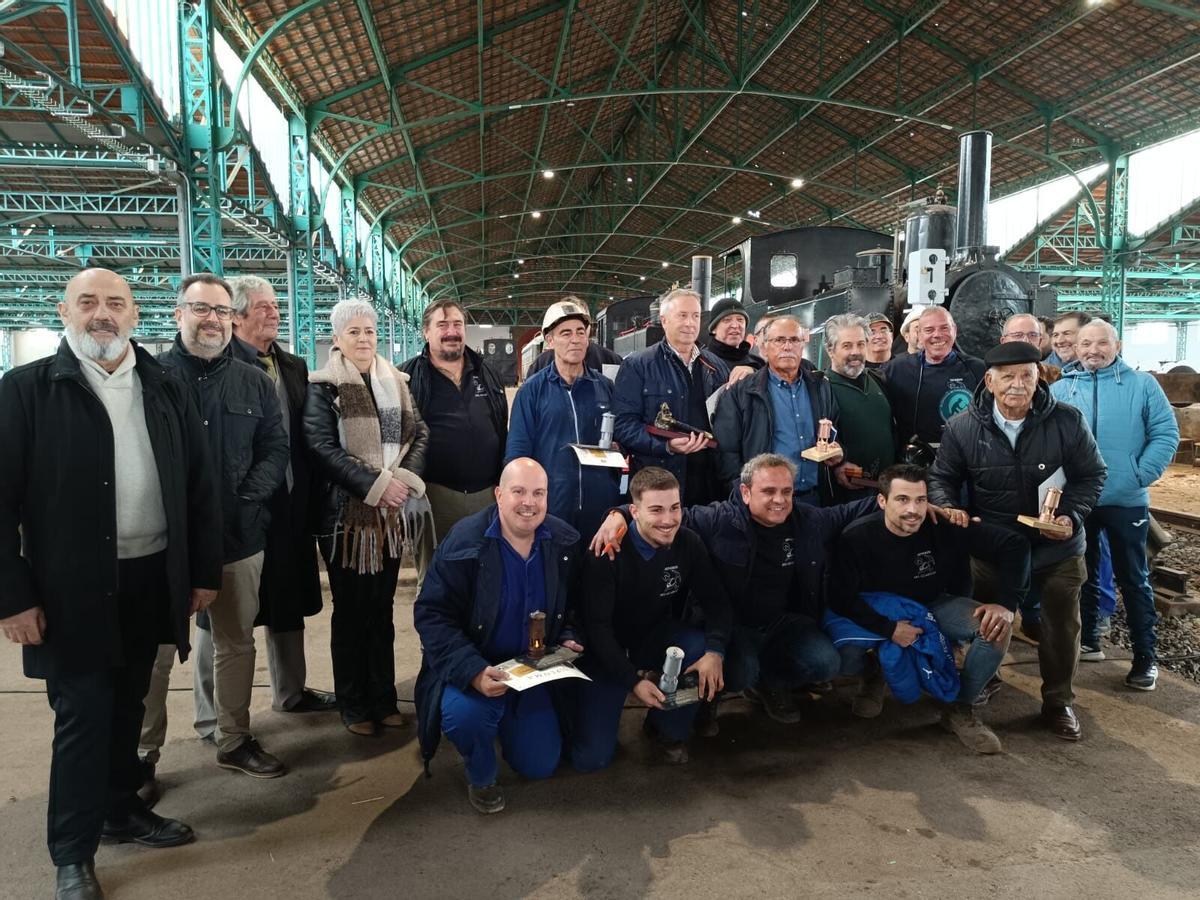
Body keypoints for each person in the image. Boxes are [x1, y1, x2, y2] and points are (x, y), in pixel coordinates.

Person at [0, 268, 221, 900]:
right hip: (71, 586)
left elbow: (198, 487)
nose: (104, 314)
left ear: (134, 313)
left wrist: (200, 574)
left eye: (116, 303)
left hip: (151, 575)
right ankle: (72, 851)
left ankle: (120, 809)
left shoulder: (165, 385)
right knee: (83, 715)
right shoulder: (26, 391)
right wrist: (12, 596)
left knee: (130, 703)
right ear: (64, 310)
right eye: (89, 302)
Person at [591, 453, 877, 728]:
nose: (779, 500)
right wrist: (615, 514)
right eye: (768, 491)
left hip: (782, 622)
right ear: (746, 492)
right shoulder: (718, 520)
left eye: (786, 491)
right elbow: (661, 515)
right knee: (739, 670)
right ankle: (711, 695)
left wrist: (915, 504)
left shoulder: (808, 520)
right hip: (732, 626)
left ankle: (770, 684)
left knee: (826, 663)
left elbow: (851, 511)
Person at [928, 341, 1106, 741]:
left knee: (1061, 625)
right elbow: (941, 478)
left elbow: (1092, 475)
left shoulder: (1067, 421)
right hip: (994, 548)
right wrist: (946, 505)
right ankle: (983, 682)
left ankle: (1058, 701)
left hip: (1057, 549)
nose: (1017, 385)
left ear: (1038, 377)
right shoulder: (963, 427)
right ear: (989, 381)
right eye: (1007, 377)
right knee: (987, 622)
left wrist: (1069, 515)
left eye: (1026, 375)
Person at [149, 274, 290, 780]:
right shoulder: (152, 379)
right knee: (156, 653)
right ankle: (143, 757)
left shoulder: (253, 380)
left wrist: (246, 499)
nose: (212, 319)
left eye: (221, 311)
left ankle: (233, 738)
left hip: (238, 536)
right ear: (178, 314)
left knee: (236, 642)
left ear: (233, 318)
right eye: (200, 309)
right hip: (164, 541)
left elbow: (275, 448)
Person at [413, 459, 583, 814]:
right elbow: (432, 614)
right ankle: (481, 773)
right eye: (519, 492)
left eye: (539, 493)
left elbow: (577, 605)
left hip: (530, 672)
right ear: (498, 494)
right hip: (476, 666)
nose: (529, 503)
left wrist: (567, 635)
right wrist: (472, 671)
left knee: (540, 766)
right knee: (466, 719)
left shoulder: (564, 541)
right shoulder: (463, 542)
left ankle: (509, 723)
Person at [828, 464, 1031, 753]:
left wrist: (1006, 605)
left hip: (933, 604)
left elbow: (1015, 544)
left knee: (996, 629)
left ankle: (960, 709)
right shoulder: (856, 537)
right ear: (882, 501)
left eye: (920, 500)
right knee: (844, 655)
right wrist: (889, 629)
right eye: (902, 499)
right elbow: (841, 597)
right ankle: (872, 674)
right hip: (876, 610)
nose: (913, 510)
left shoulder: (943, 525)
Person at [304, 299, 430, 736]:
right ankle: (355, 704)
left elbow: (420, 432)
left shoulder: (396, 381)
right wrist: (376, 486)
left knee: (380, 609)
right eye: (353, 332)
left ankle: (383, 699)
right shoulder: (323, 386)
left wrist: (406, 478)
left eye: (369, 331)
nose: (363, 339)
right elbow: (321, 447)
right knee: (352, 611)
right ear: (336, 339)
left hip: (389, 518)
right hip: (346, 519)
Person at [572, 467, 729, 769]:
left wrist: (716, 651)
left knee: (696, 647)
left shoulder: (689, 543)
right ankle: (575, 706)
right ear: (634, 511)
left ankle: (666, 728)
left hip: (652, 637)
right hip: (604, 651)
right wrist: (632, 681)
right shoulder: (607, 551)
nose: (668, 520)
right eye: (656, 510)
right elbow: (598, 629)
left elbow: (718, 604)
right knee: (590, 759)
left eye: (674, 508)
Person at [1051, 320, 1179, 690]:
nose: (1093, 350)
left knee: (1133, 578)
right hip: (1079, 501)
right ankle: (1090, 639)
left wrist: (1139, 474)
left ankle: (1145, 658)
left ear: (1117, 345)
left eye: (1101, 343)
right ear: (1075, 348)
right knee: (1082, 573)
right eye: (1085, 343)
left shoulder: (1142, 386)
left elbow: (1165, 432)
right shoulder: (1062, 387)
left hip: (1125, 500)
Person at [402, 299, 509, 588]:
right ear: (426, 332)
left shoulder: (487, 373)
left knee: (487, 576)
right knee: (438, 579)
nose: (451, 331)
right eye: (442, 325)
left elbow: (501, 427)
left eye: (457, 324)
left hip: (486, 496)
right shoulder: (408, 377)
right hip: (434, 496)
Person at [505, 300, 623, 533]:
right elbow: (517, 454)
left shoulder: (605, 388)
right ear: (549, 341)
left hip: (600, 508)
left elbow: (623, 439)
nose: (575, 339)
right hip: (552, 509)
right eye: (565, 333)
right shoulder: (532, 392)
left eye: (581, 332)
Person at [613, 287, 730, 505]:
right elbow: (623, 425)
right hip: (659, 486)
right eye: (682, 316)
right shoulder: (638, 365)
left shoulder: (716, 366)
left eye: (695, 316)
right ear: (664, 320)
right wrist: (665, 446)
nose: (690, 323)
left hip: (709, 485)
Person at [712, 316, 841, 505]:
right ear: (764, 347)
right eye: (779, 340)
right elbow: (726, 453)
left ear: (802, 345)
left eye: (794, 340)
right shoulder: (741, 393)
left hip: (815, 500)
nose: (787, 347)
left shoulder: (821, 387)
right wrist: (743, 497)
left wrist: (838, 452)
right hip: (765, 503)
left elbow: (835, 432)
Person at [883, 306, 985, 450]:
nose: (937, 335)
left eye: (944, 328)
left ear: (954, 330)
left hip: (966, 456)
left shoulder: (978, 369)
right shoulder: (894, 369)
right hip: (916, 461)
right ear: (919, 334)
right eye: (929, 330)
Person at [822, 314, 895, 501]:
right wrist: (838, 464)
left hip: (887, 490)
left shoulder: (878, 380)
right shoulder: (821, 389)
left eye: (861, 344)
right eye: (847, 346)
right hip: (846, 495)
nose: (856, 351)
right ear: (830, 350)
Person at [526, 298, 622, 376]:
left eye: (580, 327)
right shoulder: (540, 364)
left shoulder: (611, 360)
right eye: (567, 332)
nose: (575, 339)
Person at [705, 298, 765, 370]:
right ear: (714, 329)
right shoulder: (703, 362)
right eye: (727, 320)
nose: (735, 325)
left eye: (740, 320)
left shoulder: (758, 364)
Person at [1000, 313, 1060, 384]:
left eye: (1033, 335)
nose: (1026, 341)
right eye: (1018, 335)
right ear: (1004, 341)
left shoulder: (1054, 376)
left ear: (1039, 341)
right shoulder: (993, 373)